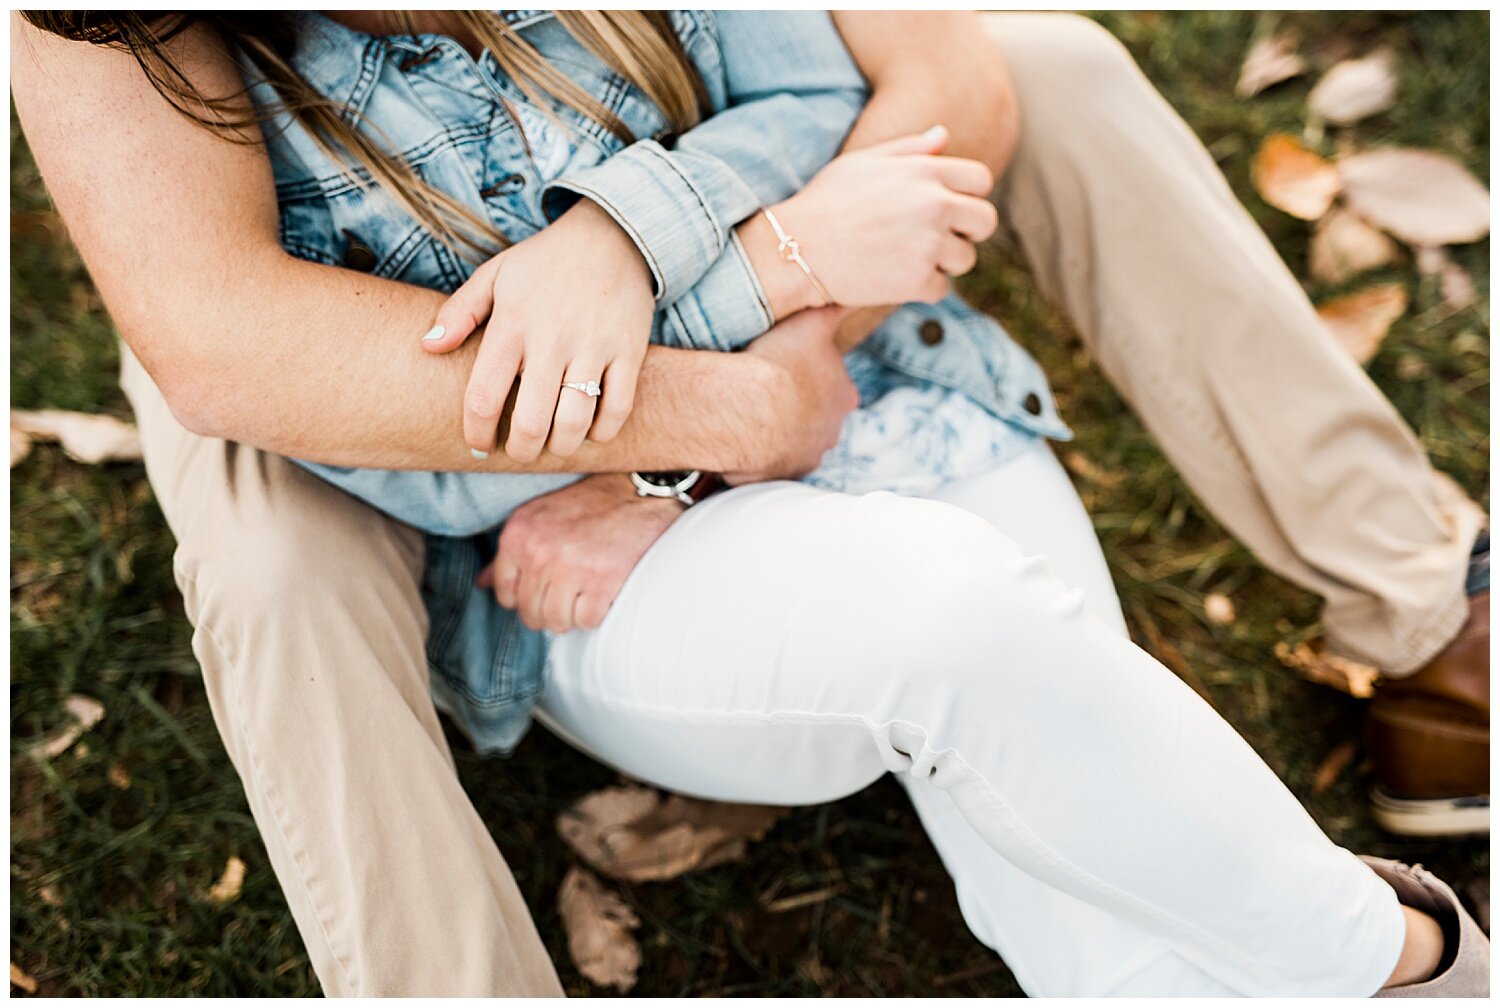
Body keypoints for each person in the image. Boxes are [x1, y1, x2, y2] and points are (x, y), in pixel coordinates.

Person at [12, 10, 1486, 997]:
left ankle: (1421, 834)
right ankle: (1404, 953)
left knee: (1084, 809)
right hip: (572, 550)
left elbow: (871, 82)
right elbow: (379, 425)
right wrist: (749, 327)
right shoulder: (192, 88)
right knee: (957, 625)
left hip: (899, 411)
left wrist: (633, 250)